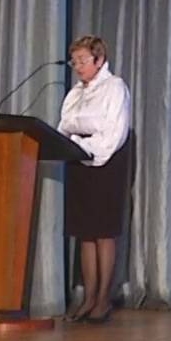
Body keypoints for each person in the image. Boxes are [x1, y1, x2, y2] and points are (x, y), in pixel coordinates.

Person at [59, 35, 133, 324]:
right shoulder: (75, 93)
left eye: (82, 61)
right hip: (78, 161)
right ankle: (88, 298)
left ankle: (103, 299)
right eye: (74, 62)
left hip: (106, 163)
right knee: (85, 233)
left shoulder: (115, 87)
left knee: (103, 231)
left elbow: (113, 131)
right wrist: (76, 142)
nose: (77, 67)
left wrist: (84, 143)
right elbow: (64, 125)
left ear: (99, 60)